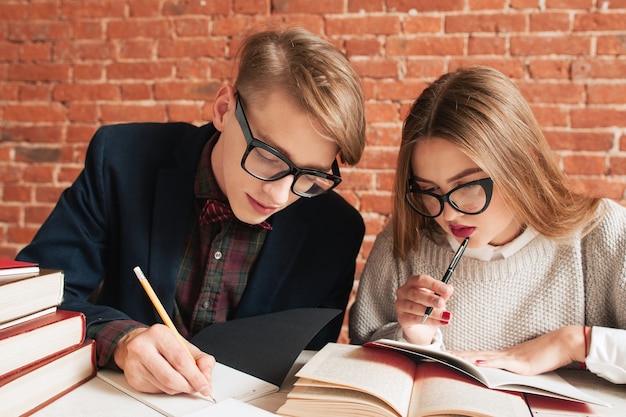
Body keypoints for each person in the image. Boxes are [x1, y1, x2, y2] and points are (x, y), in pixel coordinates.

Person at [17, 27, 366, 396]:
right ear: (223, 109)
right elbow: (32, 303)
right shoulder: (120, 160)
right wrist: (122, 340)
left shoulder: (337, 231)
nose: (280, 194)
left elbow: (307, 362)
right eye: (268, 156)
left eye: (310, 175)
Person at [349, 66, 626, 384]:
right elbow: (360, 362)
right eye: (428, 190)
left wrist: (575, 343)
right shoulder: (403, 244)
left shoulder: (602, 236)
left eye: (466, 186)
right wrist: (414, 337)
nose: (449, 215)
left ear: (524, 166)